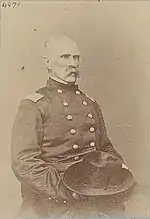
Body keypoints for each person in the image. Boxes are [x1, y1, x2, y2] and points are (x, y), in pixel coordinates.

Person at [11, 34, 133, 219]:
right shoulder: (34, 105)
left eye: (76, 57)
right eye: (65, 57)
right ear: (48, 63)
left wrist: (119, 167)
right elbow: (23, 161)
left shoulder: (90, 103)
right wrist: (63, 189)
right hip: (54, 200)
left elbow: (104, 147)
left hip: (94, 191)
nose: (72, 63)